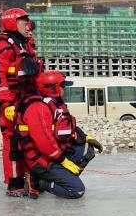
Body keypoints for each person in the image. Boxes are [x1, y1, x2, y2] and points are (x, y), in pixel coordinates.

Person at [0, 8, 43, 196]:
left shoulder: (24, 44)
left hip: (27, 99)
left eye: (28, 23)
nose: (28, 26)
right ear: (12, 23)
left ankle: (28, 177)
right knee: (13, 141)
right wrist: (6, 104)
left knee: (29, 138)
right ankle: (13, 182)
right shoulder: (3, 44)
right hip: (11, 101)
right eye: (24, 23)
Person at [15, 71, 102, 199]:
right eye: (63, 86)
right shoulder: (39, 108)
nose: (65, 89)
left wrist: (85, 137)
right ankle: (38, 183)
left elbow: (67, 126)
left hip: (55, 154)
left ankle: (63, 178)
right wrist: (63, 161)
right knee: (77, 191)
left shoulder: (55, 104)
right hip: (42, 160)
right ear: (53, 88)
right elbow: (44, 143)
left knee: (87, 149)